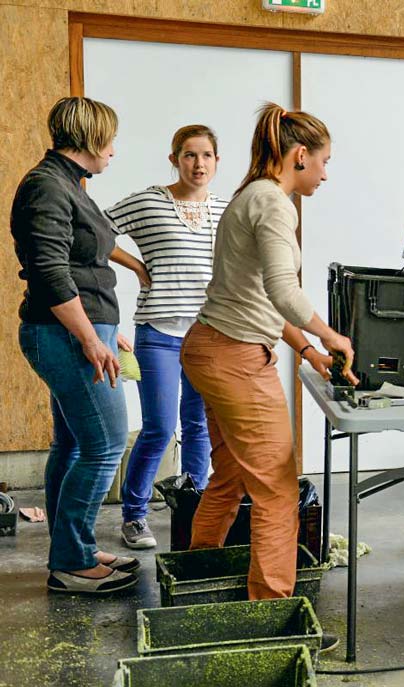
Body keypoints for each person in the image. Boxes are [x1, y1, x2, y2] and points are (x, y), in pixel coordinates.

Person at [180, 102, 358, 600]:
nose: (325, 173)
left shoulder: (251, 196)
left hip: (210, 349)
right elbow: (283, 290)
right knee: (278, 490)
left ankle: (199, 581)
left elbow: (256, 294)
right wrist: (331, 336)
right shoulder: (274, 203)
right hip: (236, 359)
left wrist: (307, 350)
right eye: (324, 161)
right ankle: (272, 611)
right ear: (300, 155)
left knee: (232, 473)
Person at [10, 96, 139, 594]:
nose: (113, 151)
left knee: (72, 444)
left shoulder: (66, 184)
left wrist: (106, 328)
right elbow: (49, 273)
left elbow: (86, 264)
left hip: (78, 332)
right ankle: (72, 563)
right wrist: (90, 336)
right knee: (105, 445)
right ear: (91, 138)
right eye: (111, 140)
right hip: (62, 335)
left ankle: (74, 547)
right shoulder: (47, 186)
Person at [105, 125, 228, 550]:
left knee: (198, 426)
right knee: (159, 428)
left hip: (208, 337)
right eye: (190, 155)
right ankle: (134, 515)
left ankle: (192, 509)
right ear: (174, 159)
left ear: (217, 161)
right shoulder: (149, 201)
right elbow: (94, 230)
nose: (199, 164)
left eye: (207, 155)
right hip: (159, 333)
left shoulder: (226, 210)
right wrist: (135, 265)